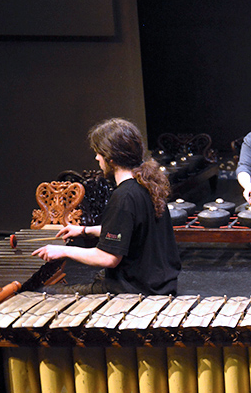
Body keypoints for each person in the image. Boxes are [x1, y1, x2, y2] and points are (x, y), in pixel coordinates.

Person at [33, 118, 181, 295]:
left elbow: (108, 258)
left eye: (99, 153)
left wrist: (63, 251)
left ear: (111, 158)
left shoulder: (123, 197)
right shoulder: (147, 185)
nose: (97, 158)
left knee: (44, 292)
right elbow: (130, 230)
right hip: (159, 284)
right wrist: (84, 231)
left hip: (136, 291)